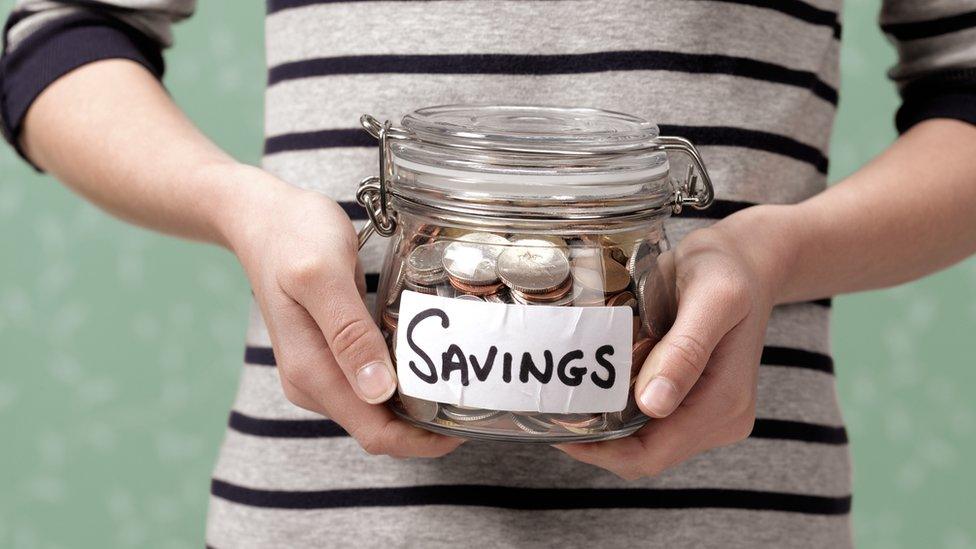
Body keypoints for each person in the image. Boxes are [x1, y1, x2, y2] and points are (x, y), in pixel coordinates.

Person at [2, 1, 974, 547]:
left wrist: (777, 253)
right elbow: (54, 38)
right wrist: (239, 207)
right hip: (325, 522)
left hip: (735, 522)